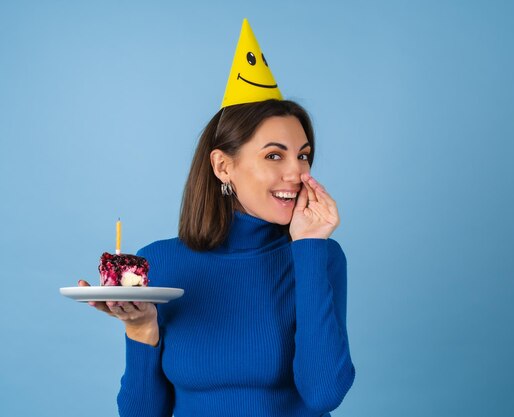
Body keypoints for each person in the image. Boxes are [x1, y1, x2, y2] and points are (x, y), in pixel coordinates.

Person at [79, 100, 355, 416]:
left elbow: (324, 393)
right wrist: (140, 328)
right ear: (223, 166)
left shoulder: (319, 256)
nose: (297, 172)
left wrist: (308, 246)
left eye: (303, 156)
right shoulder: (159, 263)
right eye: (274, 156)